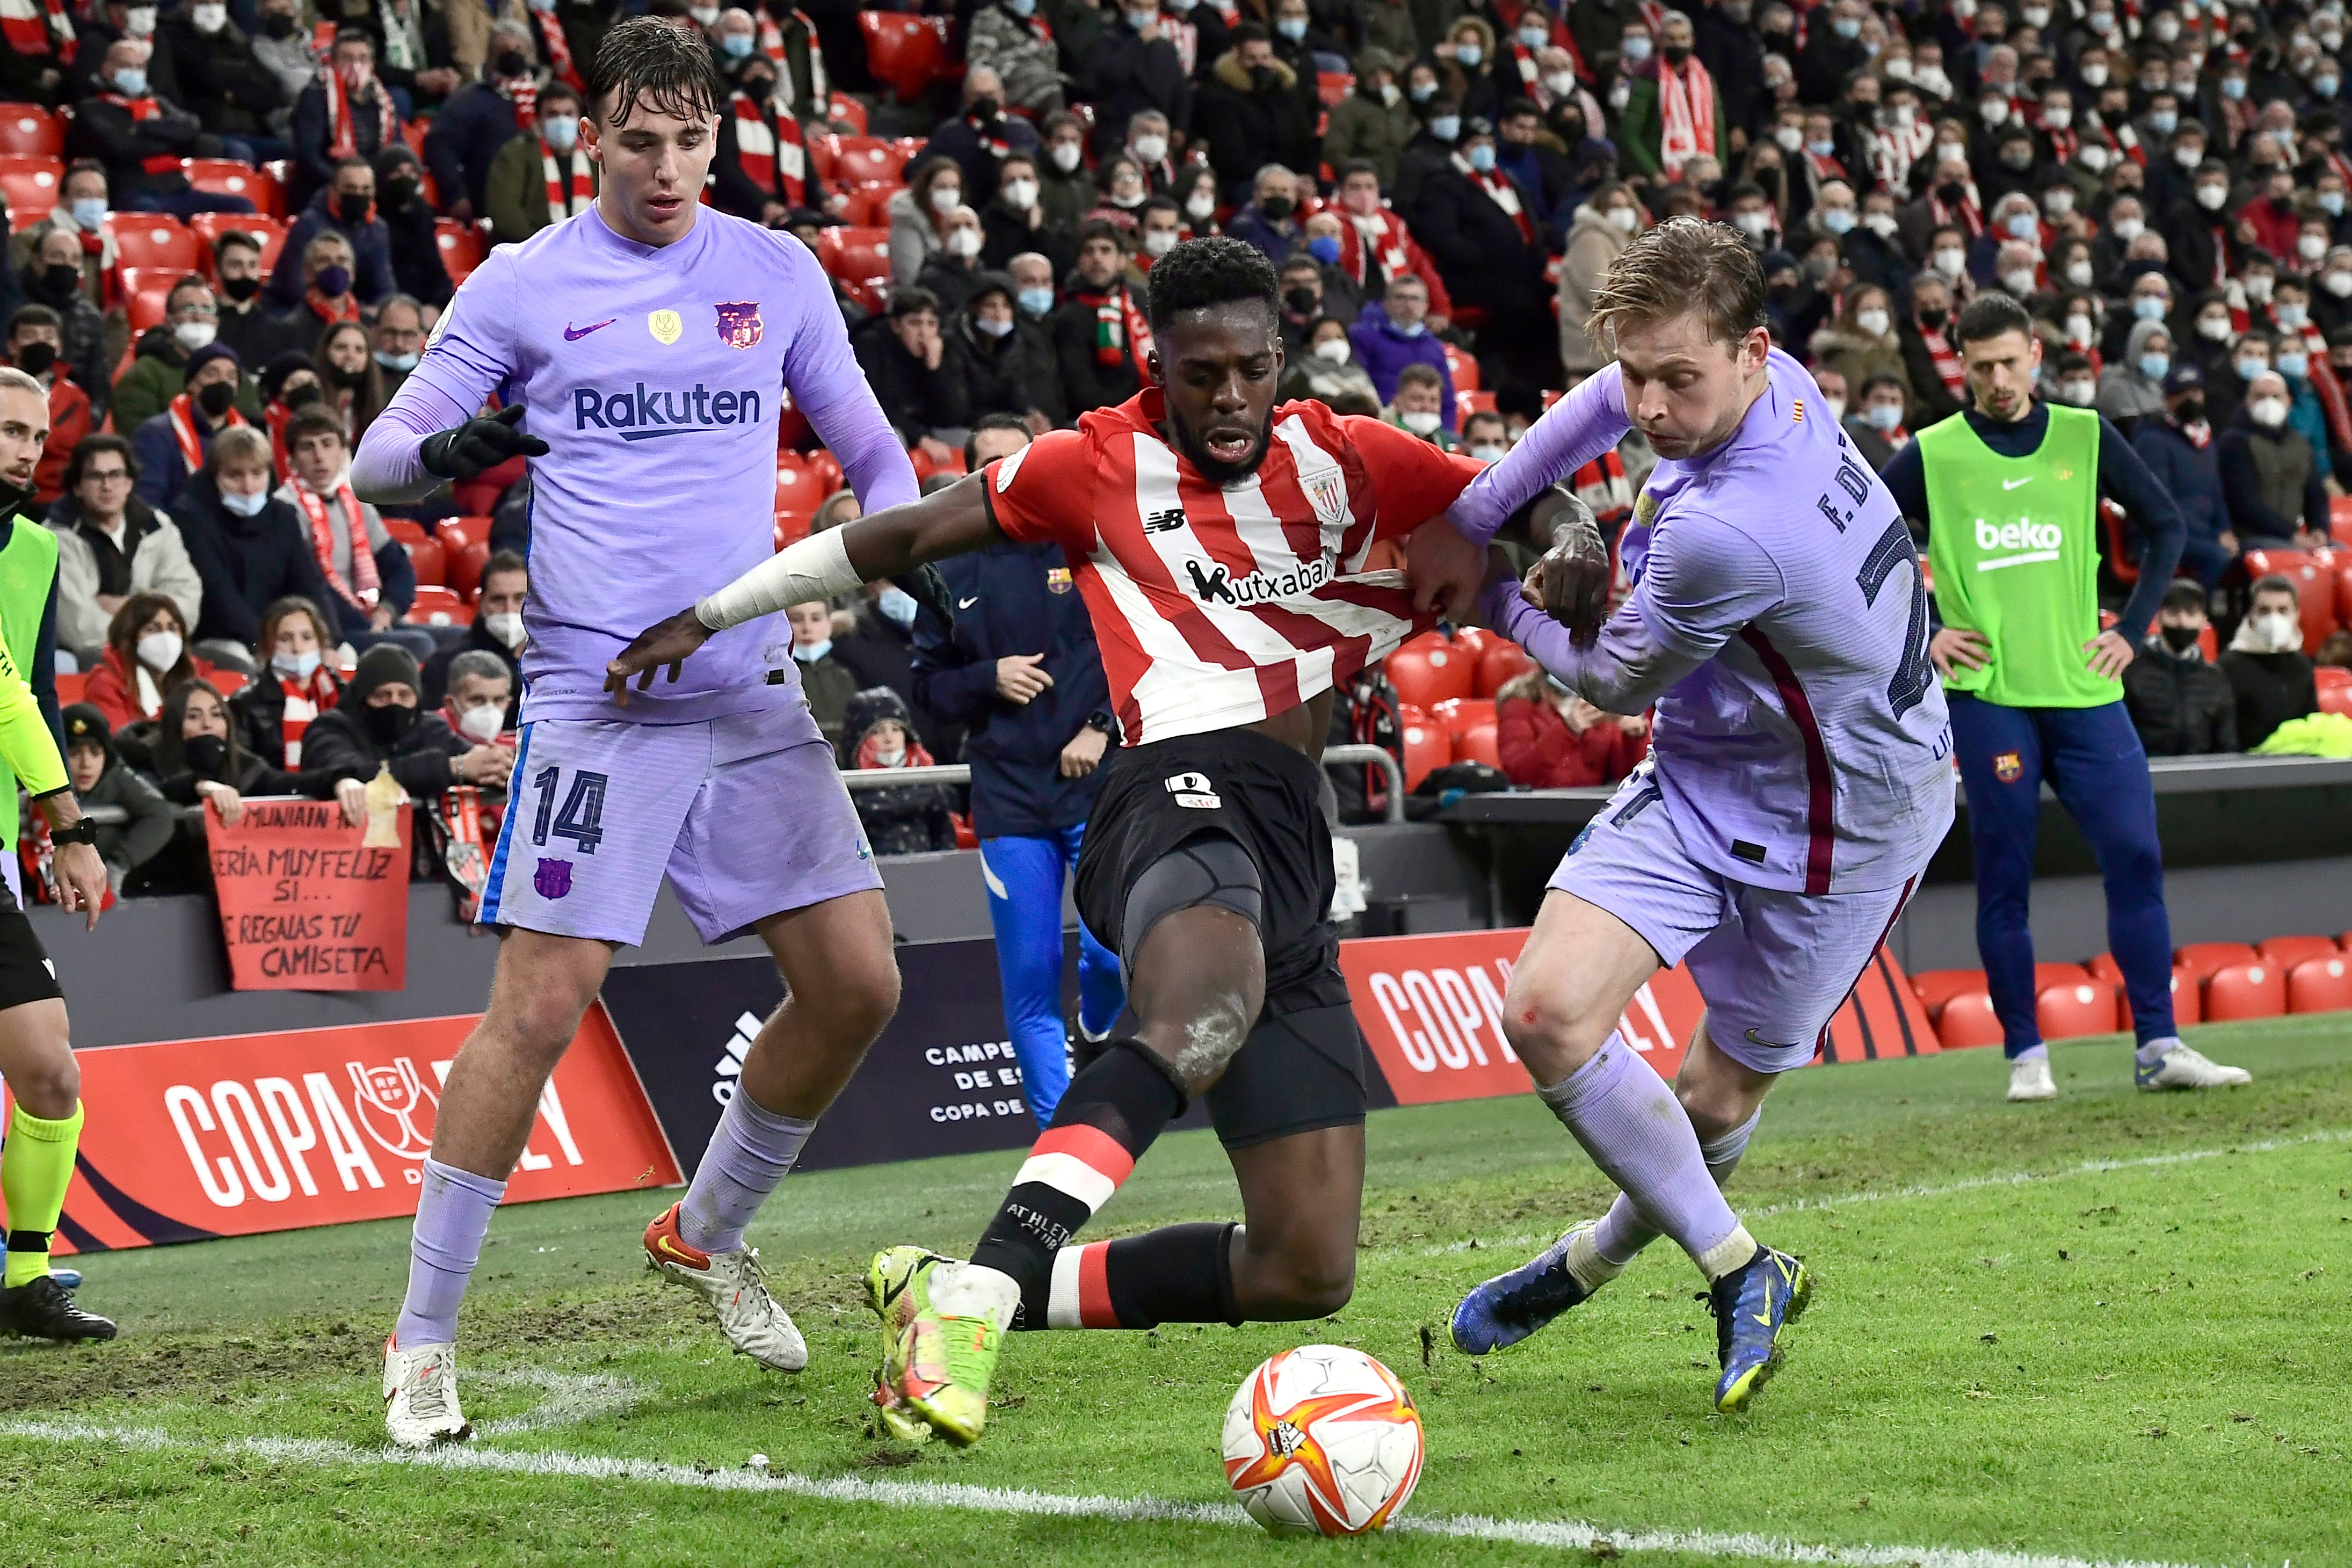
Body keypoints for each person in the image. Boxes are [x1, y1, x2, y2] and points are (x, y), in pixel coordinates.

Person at [605, 235, 1519, 1449]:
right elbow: (899, 538)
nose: (1229, 397)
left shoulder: (1350, 454)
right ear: (1157, 364)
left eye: (1250, 370)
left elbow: (1519, 495)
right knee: (1203, 1007)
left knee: (1305, 1268)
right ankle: (981, 1299)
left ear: (1281, 361)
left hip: (1293, 828)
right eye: (1200, 374)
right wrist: (710, 615)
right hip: (1171, 785)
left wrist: (1557, 544)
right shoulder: (1091, 463)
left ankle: (954, 1289)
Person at [350, 19, 921, 1451]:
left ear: (716, 139)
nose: (665, 170)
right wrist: (453, 455)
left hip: (749, 692)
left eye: (688, 142)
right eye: (638, 142)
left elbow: (873, 454)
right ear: (588, 138)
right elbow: (376, 462)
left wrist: (893, 553)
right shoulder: (524, 282)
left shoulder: (774, 272)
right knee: (539, 1011)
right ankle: (420, 1340)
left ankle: (703, 1232)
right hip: (597, 709)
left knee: (859, 985)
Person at [1398, 217, 1937, 1415]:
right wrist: (1478, 514)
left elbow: (1609, 680)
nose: (1648, 405)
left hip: (1850, 821)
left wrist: (1488, 593)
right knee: (1544, 1012)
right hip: (1705, 773)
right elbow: (1594, 409)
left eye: (1676, 379)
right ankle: (1743, 1265)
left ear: (1751, 353)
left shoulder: (1726, 529)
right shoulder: (1767, 385)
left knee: (1712, 1104)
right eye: (1636, 370)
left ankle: (1589, 1257)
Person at [1878, 290, 2249, 1102]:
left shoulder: (2086, 435)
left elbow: (2167, 526)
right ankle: (2026, 1055)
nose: (1998, 380)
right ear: (1961, 366)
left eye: (2010, 363)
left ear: (2036, 356)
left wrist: (2134, 631)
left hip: (2084, 687)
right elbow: (1858, 540)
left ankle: (2159, 1046)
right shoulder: (1935, 451)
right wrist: (1926, 630)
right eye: (1982, 367)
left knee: (2137, 856)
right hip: (1989, 693)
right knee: (2005, 873)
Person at [906, 415, 1123, 1126]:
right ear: (971, 476)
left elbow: (1138, 648)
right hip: (1008, 798)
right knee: (1030, 977)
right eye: (987, 464)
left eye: (1015, 461)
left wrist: (1101, 727)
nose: (1001, 475)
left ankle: (1096, 1029)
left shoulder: (1088, 545)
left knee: (1112, 955)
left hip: (1095, 787)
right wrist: (986, 678)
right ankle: (1059, 1144)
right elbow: (927, 692)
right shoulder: (948, 572)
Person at [0, 366, 117, 1343]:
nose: (25, 451)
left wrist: (54, 831)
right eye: (7, 430)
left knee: (49, 1069)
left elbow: (23, 693)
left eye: (36, 436)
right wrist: (71, 829)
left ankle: (25, 1276)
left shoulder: (35, 549)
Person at [137, 674, 366, 893]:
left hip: (231, 894)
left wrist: (341, 780)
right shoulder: (145, 758)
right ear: (174, 724)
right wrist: (200, 786)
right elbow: (155, 797)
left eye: (217, 715)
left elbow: (291, 784)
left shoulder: (244, 765)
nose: (208, 725)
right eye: (194, 717)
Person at [276, 404, 429, 659]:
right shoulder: (284, 509)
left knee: (455, 638)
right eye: (307, 447)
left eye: (327, 444)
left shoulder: (355, 501)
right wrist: (367, 624)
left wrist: (386, 611)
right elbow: (309, 584)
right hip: (329, 629)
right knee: (421, 645)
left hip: (369, 620)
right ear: (292, 460)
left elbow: (398, 566)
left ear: (343, 451)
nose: (319, 457)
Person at [177, 425, 337, 657]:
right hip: (221, 639)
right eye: (235, 476)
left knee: (344, 656)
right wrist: (269, 645)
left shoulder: (283, 516)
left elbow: (309, 585)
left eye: (257, 473)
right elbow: (219, 596)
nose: (248, 486)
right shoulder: (190, 519)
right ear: (215, 475)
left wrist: (326, 642)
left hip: (284, 637)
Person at [46, 436, 203, 662]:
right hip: (88, 658)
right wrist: (150, 628)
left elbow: (187, 601)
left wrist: (128, 606)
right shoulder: (55, 538)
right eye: (95, 476)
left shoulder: (157, 527)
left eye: (116, 475)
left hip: (159, 650)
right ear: (77, 487)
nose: (107, 486)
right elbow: (79, 630)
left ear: (129, 483)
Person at [298, 641, 512, 800]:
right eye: (382, 695)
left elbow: (471, 758)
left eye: (405, 695)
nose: (395, 704)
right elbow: (353, 772)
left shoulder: (429, 727)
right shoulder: (330, 728)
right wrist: (452, 768)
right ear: (362, 697)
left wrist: (496, 764)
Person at [70, 39, 255, 220]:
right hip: (136, 190)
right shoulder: (92, 108)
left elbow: (191, 125)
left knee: (241, 206)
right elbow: (122, 148)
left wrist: (142, 128)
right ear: (107, 69)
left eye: (139, 67)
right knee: (147, 212)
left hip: (177, 188)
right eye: (126, 66)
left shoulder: (156, 103)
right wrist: (173, 140)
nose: (134, 72)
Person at [423, 21, 546, 224]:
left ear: (531, 53)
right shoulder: (468, 100)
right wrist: (456, 194)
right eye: (503, 50)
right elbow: (440, 145)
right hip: (490, 203)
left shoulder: (548, 96)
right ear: (490, 55)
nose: (511, 55)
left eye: (518, 49)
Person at [2130, 365, 2237, 589]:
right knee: (2216, 557)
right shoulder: (2152, 441)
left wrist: (2224, 531)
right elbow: (2158, 504)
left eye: (2196, 392)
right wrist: (2212, 537)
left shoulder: (2207, 442)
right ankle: (2194, 608)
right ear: (2168, 399)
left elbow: (2217, 495)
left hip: (2199, 535)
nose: (2191, 399)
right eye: (2182, 394)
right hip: (2160, 536)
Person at [60, 702, 175, 894]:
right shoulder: (35, 778)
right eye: (74, 753)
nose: (86, 763)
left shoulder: (118, 777)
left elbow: (159, 814)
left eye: (95, 753)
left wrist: (118, 864)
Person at [115, 279, 246, 439]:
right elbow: (139, 438)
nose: (198, 317)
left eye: (207, 309)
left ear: (217, 322)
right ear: (169, 321)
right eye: (188, 308)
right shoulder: (143, 375)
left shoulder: (233, 374)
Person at [129, 339, 251, 511]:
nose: (222, 382)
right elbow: (147, 502)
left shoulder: (248, 437)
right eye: (212, 374)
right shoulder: (156, 434)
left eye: (231, 376)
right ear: (192, 384)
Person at [267, 155, 398, 313]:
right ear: (333, 190)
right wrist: (344, 310)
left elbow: (384, 287)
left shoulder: (378, 230)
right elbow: (296, 286)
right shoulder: (309, 225)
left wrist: (376, 311)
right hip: (295, 311)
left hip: (352, 313)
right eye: (351, 188)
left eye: (365, 189)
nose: (358, 194)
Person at [2218, 369, 2332, 549]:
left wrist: (2320, 529)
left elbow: (2316, 495)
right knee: (2292, 556)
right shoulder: (2234, 443)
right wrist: (2292, 536)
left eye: (2276, 396)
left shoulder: (2300, 444)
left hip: (2293, 536)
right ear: (2247, 401)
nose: (2269, 403)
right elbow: (2244, 503)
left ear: (2288, 401)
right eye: (2260, 396)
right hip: (2250, 536)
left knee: (2340, 554)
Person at [2122, 578, 2235, 757]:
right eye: (2174, 613)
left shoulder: (2215, 677)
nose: (2182, 622)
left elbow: (2226, 743)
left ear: (2203, 620)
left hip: (2202, 770)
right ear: (2159, 617)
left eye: (2191, 614)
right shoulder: (2131, 672)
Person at [227, 594, 343, 767]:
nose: (298, 648)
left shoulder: (343, 694)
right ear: (268, 646)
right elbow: (248, 772)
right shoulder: (245, 705)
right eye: (285, 639)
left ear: (320, 644)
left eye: (307, 638)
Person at [839, 683, 957, 853]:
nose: (889, 739)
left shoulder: (930, 786)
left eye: (896, 729)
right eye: (877, 732)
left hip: (928, 866)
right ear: (859, 740)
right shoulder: (845, 793)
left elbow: (945, 841)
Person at [289, 30, 396, 214]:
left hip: (372, 186)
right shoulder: (315, 95)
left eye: (363, 58)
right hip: (326, 187)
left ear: (372, 64)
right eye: (347, 58)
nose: (356, 65)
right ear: (333, 62)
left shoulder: (382, 100)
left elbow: (396, 148)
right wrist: (349, 182)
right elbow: (309, 157)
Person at [80, 591, 218, 731]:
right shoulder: (106, 684)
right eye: (152, 629)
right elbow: (121, 740)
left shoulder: (195, 677)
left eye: (172, 628)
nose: (166, 638)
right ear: (130, 636)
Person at [1050, 222, 1150, 415]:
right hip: (1106, 415)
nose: (1097, 258)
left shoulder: (1141, 300)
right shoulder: (1069, 316)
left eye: (1106, 250)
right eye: (1089, 251)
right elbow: (1080, 390)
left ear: (1122, 260)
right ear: (1079, 262)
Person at [1493, 666, 1648, 787]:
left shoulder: (1602, 701)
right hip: (1539, 810)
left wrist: (1635, 738)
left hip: (1594, 808)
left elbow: (1628, 780)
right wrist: (1568, 729)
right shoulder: (1520, 705)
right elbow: (1519, 775)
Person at [488, 82, 599, 246]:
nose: (562, 121)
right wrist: (544, 247)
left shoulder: (594, 155)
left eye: (568, 114)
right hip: (531, 249)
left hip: (588, 249)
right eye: (553, 115)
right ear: (538, 119)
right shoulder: (516, 153)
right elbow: (505, 212)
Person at [2221, 572, 2320, 750]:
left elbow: (2311, 723)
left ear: (2296, 615)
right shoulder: (2228, 667)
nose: (2274, 619)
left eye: (2283, 611)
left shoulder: (2302, 664)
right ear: (2251, 616)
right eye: (2264, 611)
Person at [421, 549, 526, 710]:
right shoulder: (445, 665)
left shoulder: (557, 658)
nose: (509, 609)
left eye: (520, 598)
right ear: (480, 602)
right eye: (498, 599)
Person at [1348, 273, 1454, 430]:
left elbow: (1447, 400)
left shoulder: (1435, 347)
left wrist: (1444, 436)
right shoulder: (1363, 336)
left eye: (1415, 299)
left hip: (1427, 428)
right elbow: (1358, 386)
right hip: (1379, 425)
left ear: (1426, 306)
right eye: (1401, 298)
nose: (1408, 305)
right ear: (1386, 303)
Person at [8, 307, 88, 509]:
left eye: (49, 337)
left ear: (59, 346)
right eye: (30, 336)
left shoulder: (77, 399)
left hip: (57, 503)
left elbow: (81, 457)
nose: (41, 343)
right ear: (12, 346)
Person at [1559, 184, 1642, 380]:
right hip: (1591, 356)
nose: (1623, 213)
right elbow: (1600, 293)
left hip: (1609, 351)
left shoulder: (1621, 240)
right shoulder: (1590, 239)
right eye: (1615, 207)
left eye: (1627, 206)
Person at [212, 232, 310, 372]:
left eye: (252, 265)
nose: (246, 273)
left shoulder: (278, 331)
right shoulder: (207, 327)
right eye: (236, 265)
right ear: (217, 271)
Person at [373, 145, 455, 310]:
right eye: (397, 172)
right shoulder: (373, 221)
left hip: (425, 309)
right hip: (388, 307)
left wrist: (436, 306)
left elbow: (436, 271)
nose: (405, 178)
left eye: (412, 172)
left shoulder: (422, 216)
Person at [1323, 48, 1412, 190]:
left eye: (1385, 74)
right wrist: (1359, 175)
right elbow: (1335, 152)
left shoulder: (1401, 106)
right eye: (1373, 74)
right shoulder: (1348, 109)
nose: (1380, 80)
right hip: (1365, 182)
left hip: (1401, 178)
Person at [316, 320, 389, 445]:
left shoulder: (381, 406)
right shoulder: (311, 397)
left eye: (359, 350)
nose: (350, 355)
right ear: (326, 352)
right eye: (341, 348)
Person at [436, 648, 514, 750]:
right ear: (450, 704)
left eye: (498, 700)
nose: (489, 710)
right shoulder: (428, 741)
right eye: (477, 700)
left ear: (508, 704)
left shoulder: (518, 750)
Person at [1383, 361, 1455, 447]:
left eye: (1433, 401)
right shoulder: (1385, 435)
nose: (1426, 407)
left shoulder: (1442, 439)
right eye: (1418, 399)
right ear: (1397, 402)